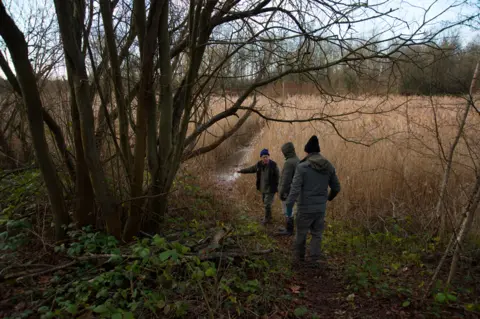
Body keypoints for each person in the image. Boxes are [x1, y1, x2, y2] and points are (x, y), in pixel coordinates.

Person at [285, 135, 341, 265]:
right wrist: (328, 198)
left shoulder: (302, 167)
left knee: (301, 233)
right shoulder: (329, 166)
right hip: (320, 208)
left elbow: (294, 191)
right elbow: (337, 188)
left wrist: (288, 211)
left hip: (304, 208)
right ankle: (314, 259)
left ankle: (299, 259)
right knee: (317, 234)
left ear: (307, 152)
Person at [237, 148, 280, 225]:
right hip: (263, 188)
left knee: (267, 204)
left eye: (267, 156)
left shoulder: (274, 165)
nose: (265, 158)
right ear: (261, 157)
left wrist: (279, 188)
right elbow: (251, 169)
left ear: (269, 157)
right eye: (264, 157)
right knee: (265, 203)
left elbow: (279, 177)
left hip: (271, 189)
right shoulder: (259, 165)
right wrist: (241, 171)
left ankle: (267, 219)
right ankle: (269, 217)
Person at [276, 142, 300, 236]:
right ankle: (288, 228)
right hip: (295, 191)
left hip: (289, 192)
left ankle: (289, 230)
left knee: (288, 210)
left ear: (286, 152)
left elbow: (285, 181)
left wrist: (281, 193)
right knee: (290, 210)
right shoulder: (297, 160)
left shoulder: (289, 163)